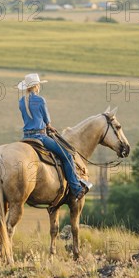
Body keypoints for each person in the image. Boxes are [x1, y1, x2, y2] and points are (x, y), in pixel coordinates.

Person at [17, 73, 92, 202]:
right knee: (67, 155)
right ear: (36, 86)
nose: (39, 86)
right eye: (39, 84)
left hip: (26, 137)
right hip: (40, 136)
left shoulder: (21, 101)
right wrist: (49, 126)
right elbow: (47, 121)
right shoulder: (40, 100)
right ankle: (76, 189)